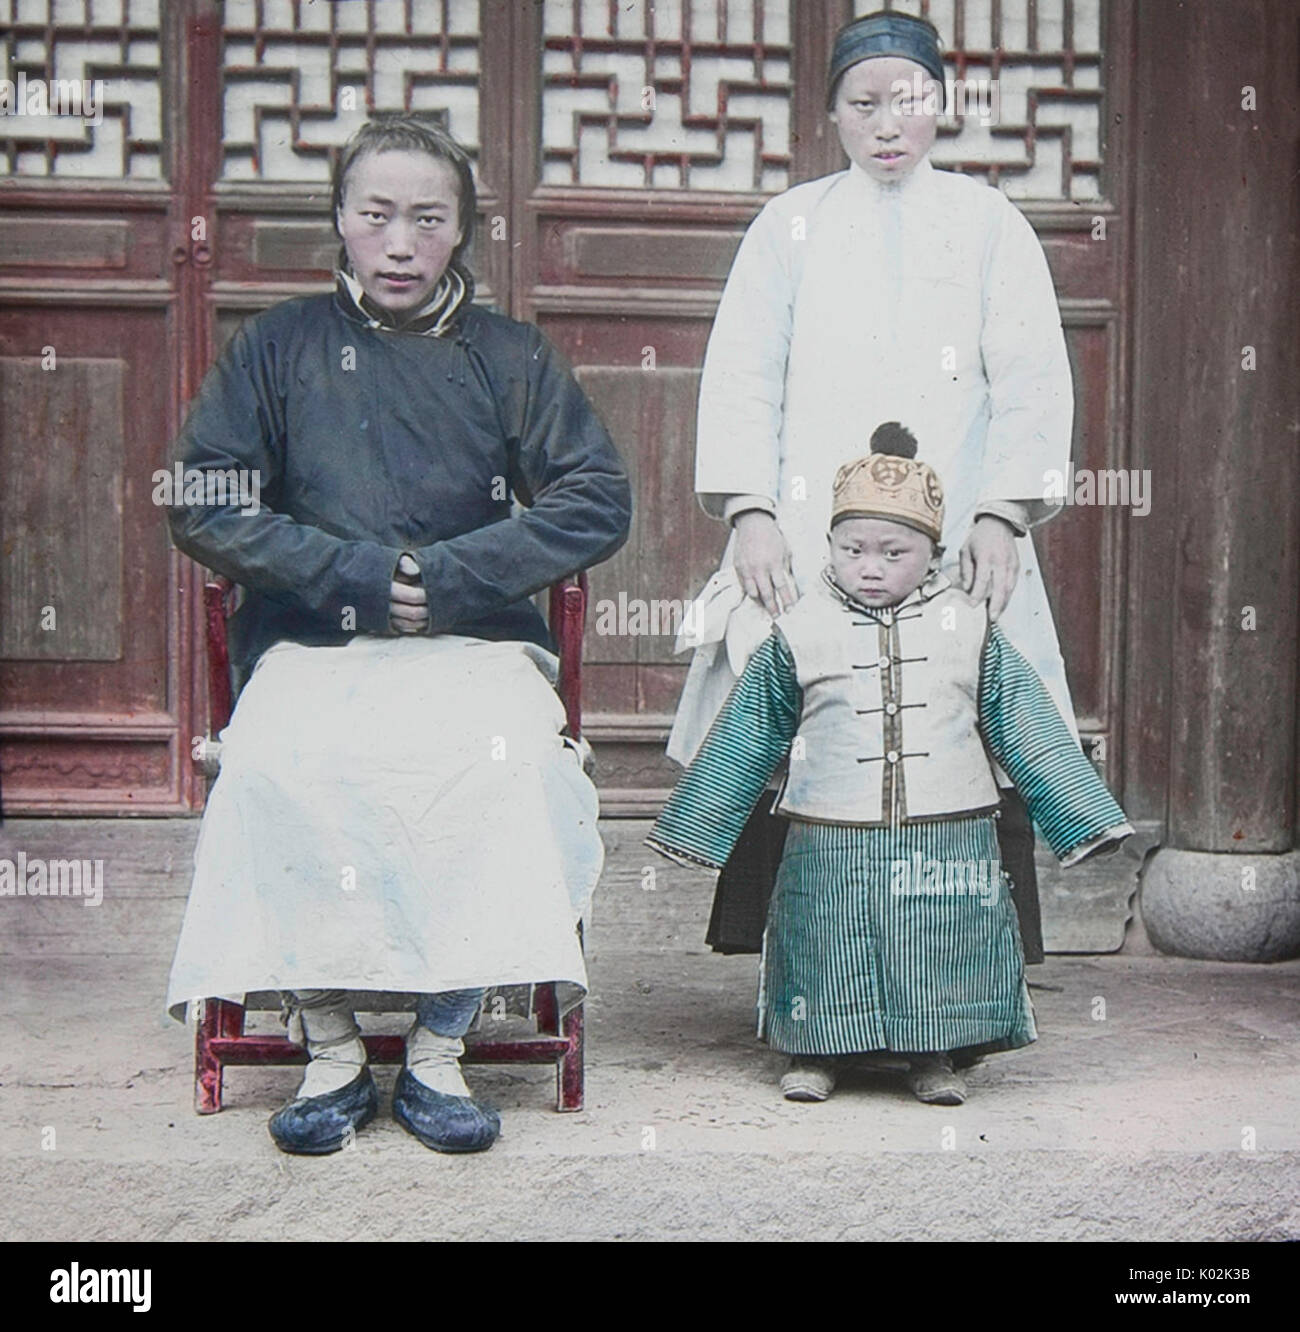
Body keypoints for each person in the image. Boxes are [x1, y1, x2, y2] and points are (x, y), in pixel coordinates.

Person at [164, 116, 631, 1155]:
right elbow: (204, 497)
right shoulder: (275, 346)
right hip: (315, 644)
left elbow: (596, 499)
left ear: (461, 229)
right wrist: (361, 579)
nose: (400, 243)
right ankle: (328, 1046)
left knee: (504, 770)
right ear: (340, 220)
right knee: (279, 764)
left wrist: (454, 577)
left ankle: (436, 1047)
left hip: (474, 644)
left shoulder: (509, 356)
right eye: (376, 216)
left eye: (428, 218)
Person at [667, 9, 1076, 963]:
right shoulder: (790, 225)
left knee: (965, 705)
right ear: (834, 116)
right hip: (813, 525)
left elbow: (1030, 381)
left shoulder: (988, 224)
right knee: (807, 703)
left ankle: (969, 974)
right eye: (865, 104)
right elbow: (741, 375)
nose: (888, 125)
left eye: (909, 101)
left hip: (959, 513)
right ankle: (806, 968)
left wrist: (1003, 512)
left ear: (941, 106)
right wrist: (752, 514)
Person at [649, 425, 1131, 1105]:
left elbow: (1026, 723)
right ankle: (815, 1051)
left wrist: (1082, 819)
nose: (870, 567)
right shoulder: (800, 630)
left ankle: (934, 1054)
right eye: (853, 550)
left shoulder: (971, 628)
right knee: (826, 935)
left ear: (932, 555)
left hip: (947, 823)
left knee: (938, 939)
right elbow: (748, 732)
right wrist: (696, 827)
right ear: (831, 550)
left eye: (893, 552)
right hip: (829, 824)